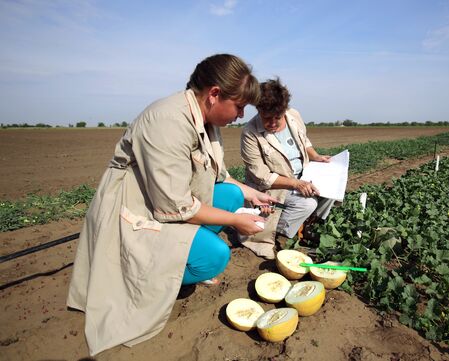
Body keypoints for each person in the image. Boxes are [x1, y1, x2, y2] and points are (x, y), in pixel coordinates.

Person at [67, 54, 278, 356]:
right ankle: (157, 279)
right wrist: (236, 222)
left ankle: (179, 258)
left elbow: (220, 176)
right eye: (239, 106)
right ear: (214, 94)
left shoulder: (206, 120)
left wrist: (253, 194)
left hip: (168, 198)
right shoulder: (167, 121)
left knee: (232, 196)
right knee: (214, 257)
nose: (241, 115)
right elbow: (177, 207)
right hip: (137, 205)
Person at [239, 78, 335, 259]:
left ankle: (308, 226)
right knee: (308, 203)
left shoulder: (293, 115)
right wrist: (296, 184)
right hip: (275, 187)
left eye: (278, 117)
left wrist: (315, 156)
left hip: (303, 175)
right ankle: (281, 236)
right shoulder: (249, 134)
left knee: (330, 191)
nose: (274, 123)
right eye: (268, 118)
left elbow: (304, 140)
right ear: (258, 110)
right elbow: (262, 177)